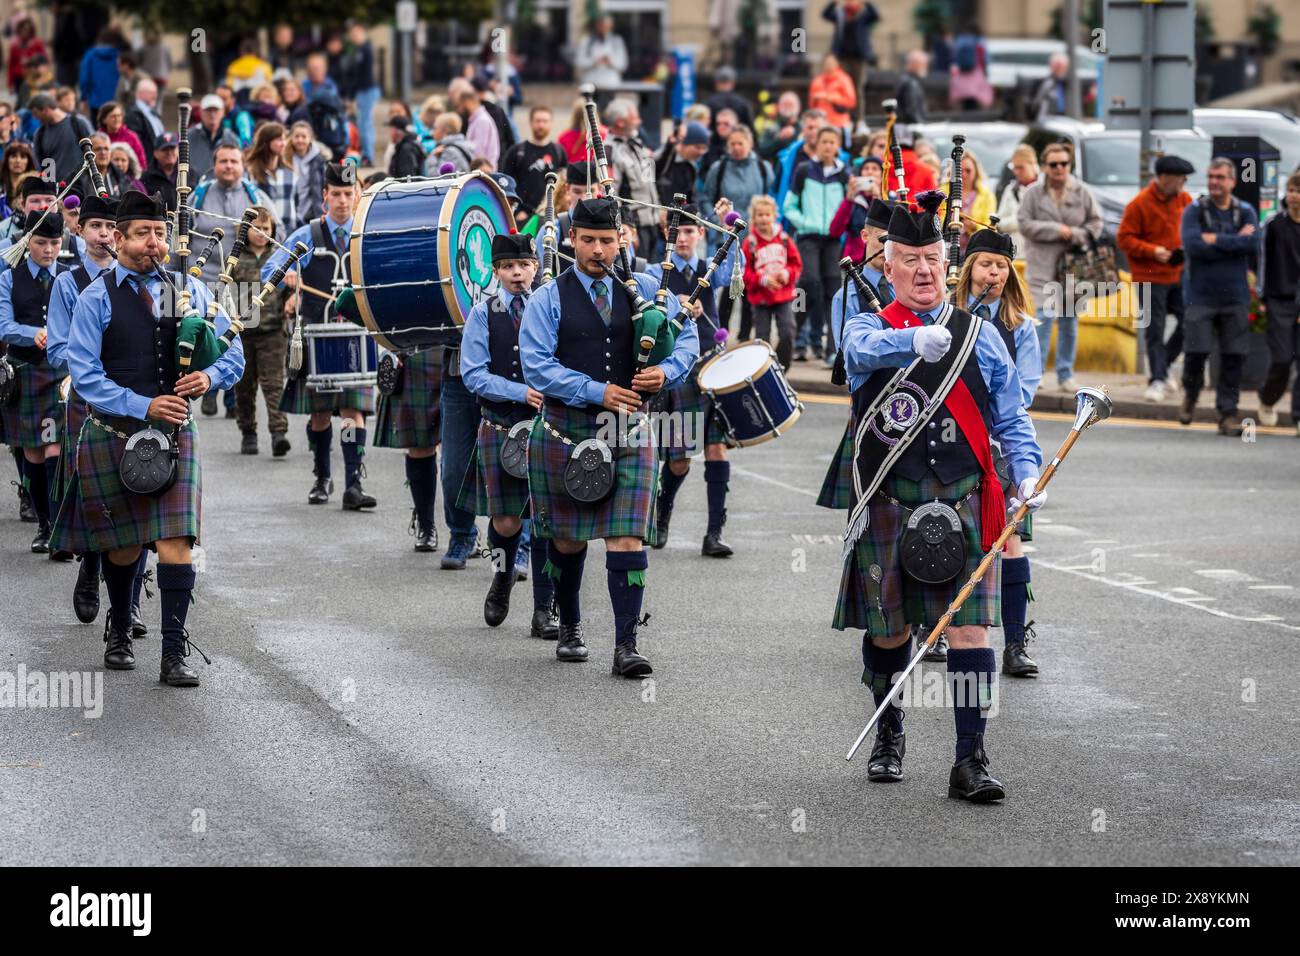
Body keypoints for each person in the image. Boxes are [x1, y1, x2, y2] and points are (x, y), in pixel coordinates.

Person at [835, 198, 1043, 799]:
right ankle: (889, 733)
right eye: (910, 261)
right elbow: (860, 356)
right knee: (888, 631)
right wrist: (911, 343)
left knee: (970, 632)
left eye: (932, 259)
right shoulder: (867, 326)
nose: (924, 271)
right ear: (889, 266)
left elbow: (1010, 415)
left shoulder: (979, 335)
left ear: (946, 263)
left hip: (964, 496)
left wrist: (1026, 475)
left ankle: (969, 760)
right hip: (889, 499)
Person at [53, 189, 245, 687]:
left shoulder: (185, 291)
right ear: (117, 239)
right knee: (122, 546)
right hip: (115, 433)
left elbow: (232, 350)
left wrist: (209, 378)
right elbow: (85, 374)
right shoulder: (98, 296)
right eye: (142, 234)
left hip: (174, 434)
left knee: (177, 541)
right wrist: (143, 404)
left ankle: (172, 649)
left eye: (160, 233)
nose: (154, 243)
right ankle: (119, 624)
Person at [519, 197, 695, 675]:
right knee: (569, 540)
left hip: (629, 431)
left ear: (623, 239)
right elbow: (536, 365)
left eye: (607, 240)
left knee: (625, 538)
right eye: (589, 240)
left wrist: (667, 370)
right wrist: (597, 390)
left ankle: (626, 644)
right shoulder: (548, 297)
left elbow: (688, 336)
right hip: (564, 430)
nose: (599, 250)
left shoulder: (647, 290)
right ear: (572, 239)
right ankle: (571, 625)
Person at [458, 232, 558, 636]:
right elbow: (473, 373)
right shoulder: (484, 314)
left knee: (547, 520)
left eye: (524, 265)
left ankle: (544, 608)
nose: (518, 273)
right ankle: (501, 579)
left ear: (535, 266)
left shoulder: (552, 307)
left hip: (548, 428)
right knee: (506, 521)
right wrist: (521, 391)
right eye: (509, 267)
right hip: (501, 424)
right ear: (496, 271)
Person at [954, 227, 1043, 677]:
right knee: (946, 534)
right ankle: (932, 628)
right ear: (969, 269)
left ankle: (1013, 644)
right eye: (987, 264)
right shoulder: (948, 317)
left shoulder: (1021, 327)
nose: (995, 272)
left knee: (1007, 541)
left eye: (1002, 266)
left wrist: (991, 421)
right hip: (954, 440)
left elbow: (1022, 390)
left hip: (1000, 446)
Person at [266, 162, 374, 508]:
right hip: (316, 333)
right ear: (325, 196)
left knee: (352, 411)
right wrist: (290, 280)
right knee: (321, 414)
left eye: (348, 194)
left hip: (355, 336)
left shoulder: (365, 235)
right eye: (336, 194)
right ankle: (322, 476)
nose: (342, 201)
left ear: (357, 196)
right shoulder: (307, 236)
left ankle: (353, 483)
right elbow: (272, 267)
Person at [44, 193, 125, 624]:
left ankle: (126, 602)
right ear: (80, 230)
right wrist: (93, 365)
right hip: (88, 399)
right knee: (94, 489)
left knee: (135, 489)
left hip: (133, 399)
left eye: (113, 228)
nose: (105, 235)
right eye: (96, 226)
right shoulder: (67, 283)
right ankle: (92, 566)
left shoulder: (143, 280)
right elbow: (57, 349)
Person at [646, 204, 738, 556]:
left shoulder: (708, 269)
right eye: (676, 232)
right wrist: (676, 302)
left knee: (717, 449)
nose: (682, 238)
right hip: (680, 372)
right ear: (666, 236)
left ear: (700, 234)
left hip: (712, 368)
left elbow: (731, 272)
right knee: (680, 459)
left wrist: (726, 226)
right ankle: (662, 512)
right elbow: (648, 304)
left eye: (689, 231)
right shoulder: (658, 272)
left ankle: (714, 533)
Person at [0, 213, 68, 554]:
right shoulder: (9, 278)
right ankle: (43, 522)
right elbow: (2, 325)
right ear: (28, 243)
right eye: (41, 243)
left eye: (55, 243)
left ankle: (56, 526)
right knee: (34, 454)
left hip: (58, 375)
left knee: (54, 447)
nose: (49, 250)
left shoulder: (69, 277)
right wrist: (32, 333)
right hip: (25, 371)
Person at [819, 196, 892, 510]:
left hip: (916, 403)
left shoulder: (909, 288)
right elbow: (851, 359)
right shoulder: (847, 294)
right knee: (866, 508)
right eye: (882, 239)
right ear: (864, 236)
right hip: (871, 405)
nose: (886, 248)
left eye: (894, 243)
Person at [1178, 157, 1259, 436]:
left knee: (1234, 356)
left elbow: (1252, 243)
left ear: (1232, 182)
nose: (1214, 182)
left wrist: (1215, 240)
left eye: (1221, 177)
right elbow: (1193, 245)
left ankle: (1228, 413)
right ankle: (1191, 395)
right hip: (1200, 295)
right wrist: (1233, 242)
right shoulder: (1194, 211)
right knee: (1196, 352)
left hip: (1235, 296)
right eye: (1211, 176)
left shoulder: (1245, 211)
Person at [1016, 142, 1102, 393]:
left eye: (1063, 164)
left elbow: (1096, 224)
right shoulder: (1033, 193)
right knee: (1042, 319)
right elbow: (1024, 224)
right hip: (1042, 267)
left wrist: (1074, 234)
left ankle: (1065, 374)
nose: (1059, 169)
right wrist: (1056, 230)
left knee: (1068, 323)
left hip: (1073, 270)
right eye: (1053, 164)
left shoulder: (1082, 192)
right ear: (1044, 167)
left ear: (1069, 165)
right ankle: (1036, 373)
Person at [1117, 154, 1193, 402]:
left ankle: (1164, 365)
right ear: (1163, 178)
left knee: (1189, 322)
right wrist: (1153, 251)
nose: (1182, 184)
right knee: (1155, 328)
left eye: (1184, 179)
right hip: (1149, 276)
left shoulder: (1185, 200)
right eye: (1179, 179)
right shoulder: (1139, 204)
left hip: (1178, 273)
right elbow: (1124, 239)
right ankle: (1157, 379)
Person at [782, 125, 850, 361]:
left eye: (833, 142)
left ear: (838, 146)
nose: (828, 146)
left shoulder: (844, 174)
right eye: (824, 142)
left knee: (833, 292)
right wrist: (803, 223)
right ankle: (793, 334)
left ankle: (832, 349)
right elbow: (789, 205)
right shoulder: (804, 170)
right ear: (817, 144)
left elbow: (848, 206)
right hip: (808, 237)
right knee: (807, 285)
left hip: (832, 240)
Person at [231, 205, 290, 457]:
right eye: (255, 227)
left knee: (274, 384)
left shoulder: (280, 256)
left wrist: (293, 297)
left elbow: (292, 287)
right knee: (244, 387)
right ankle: (248, 432)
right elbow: (224, 291)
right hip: (243, 332)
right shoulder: (235, 258)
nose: (261, 232)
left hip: (273, 331)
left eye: (266, 228)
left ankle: (278, 433)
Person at [192, 143, 280, 288]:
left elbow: (278, 234)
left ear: (243, 165)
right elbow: (178, 237)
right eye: (223, 161)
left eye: (234, 161)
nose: (228, 166)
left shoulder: (257, 197)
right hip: (200, 280)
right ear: (214, 165)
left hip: (244, 286)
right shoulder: (197, 196)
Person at [1257, 171, 1300, 431]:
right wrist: (1262, 296)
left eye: (1299, 191)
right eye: (1292, 190)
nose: (1294, 196)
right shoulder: (1274, 226)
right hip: (1279, 302)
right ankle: (1267, 398)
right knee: (1283, 359)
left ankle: (1298, 416)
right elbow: (1262, 261)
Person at [742, 194, 802, 372]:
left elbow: (796, 264)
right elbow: (744, 273)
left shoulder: (784, 239)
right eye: (759, 215)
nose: (763, 218)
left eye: (767, 214)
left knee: (788, 332)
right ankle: (764, 370)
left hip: (783, 296)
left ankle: (781, 368)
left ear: (774, 216)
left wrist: (786, 273)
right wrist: (763, 280)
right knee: (762, 338)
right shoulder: (750, 243)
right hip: (760, 298)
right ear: (753, 218)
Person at [605, 99, 661, 259]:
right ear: (621, 123)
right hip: (634, 226)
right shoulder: (609, 150)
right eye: (635, 118)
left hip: (652, 223)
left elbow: (650, 179)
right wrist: (625, 226)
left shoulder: (637, 142)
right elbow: (611, 194)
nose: (639, 121)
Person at [500, 105, 568, 225]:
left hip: (551, 216)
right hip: (523, 217)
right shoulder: (517, 152)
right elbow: (505, 184)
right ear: (531, 123)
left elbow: (564, 185)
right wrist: (517, 211)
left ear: (551, 123)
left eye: (545, 121)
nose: (541, 125)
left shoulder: (559, 152)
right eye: (538, 121)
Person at [29, 93, 95, 196]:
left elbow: (94, 149)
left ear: (46, 109)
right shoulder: (40, 134)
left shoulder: (78, 123)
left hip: (83, 186)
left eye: (36, 113)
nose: (35, 118)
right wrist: (48, 190)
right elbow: (44, 165)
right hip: (57, 190)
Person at [821, 1, 880, 111]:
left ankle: (859, 119)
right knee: (841, 87)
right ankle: (846, 116)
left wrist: (866, 3)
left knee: (857, 89)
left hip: (859, 58)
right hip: (841, 57)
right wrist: (833, 3)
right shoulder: (840, 14)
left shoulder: (864, 15)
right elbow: (825, 15)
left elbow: (875, 15)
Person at [245, 121, 301, 234]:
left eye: (285, 139)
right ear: (266, 141)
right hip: (261, 234)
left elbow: (295, 204)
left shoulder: (290, 172)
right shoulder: (251, 172)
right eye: (279, 139)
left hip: (288, 232)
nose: (284, 143)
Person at [339, 20, 380, 165]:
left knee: (365, 124)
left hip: (366, 90)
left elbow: (360, 76)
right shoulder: (359, 50)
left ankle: (368, 156)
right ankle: (367, 154)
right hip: (363, 91)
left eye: (355, 32)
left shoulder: (365, 50)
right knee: (364, 123)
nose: (352, 36)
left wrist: (350, 96)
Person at [656, 121, 708, 207]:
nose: (701, 152)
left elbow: (691, 198)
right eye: (698, 147)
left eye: (704, 148)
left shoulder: (691, 167)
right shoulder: (663, 160)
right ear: (684, 144)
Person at [189, 93, 241, 182]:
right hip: (196, 188)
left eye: (216, 110)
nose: (212, 114)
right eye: (208, 110)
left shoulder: (232, 138)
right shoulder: (189, 137)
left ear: (223, 112)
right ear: (201, 112)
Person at [994, 144, 1039, 240]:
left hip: (1040, 250)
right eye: (1014, 167)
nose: (1016, 172)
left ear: (1033, 164)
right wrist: (1021, 220)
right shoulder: (1010, 190)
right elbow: (999, 222)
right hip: (1016, 251)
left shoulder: (1045, 188)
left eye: (1021, 167)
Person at [574, 15, 627, 92]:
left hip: (611, 83)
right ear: (597, 26)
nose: (603, 28)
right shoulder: (587, 41)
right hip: (591, 82)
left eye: (606, 26)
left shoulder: (617, 41)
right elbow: (579, 62)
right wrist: (594, 61)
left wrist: (610, 61)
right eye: (601, 25)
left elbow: (623, 65)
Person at [288, 121, 328, 225]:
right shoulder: (286, 159)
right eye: (296, 136)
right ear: (291, 138)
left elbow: (324, 187)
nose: (300, 140)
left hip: (313, 213)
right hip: (293, 211)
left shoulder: (319, 160)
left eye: (304, 136)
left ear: (310, 138)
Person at [809, 53, 857, 136]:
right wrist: (815, 98)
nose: (829, 65)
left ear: (837, 63)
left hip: (839, 124)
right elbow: (812, 105)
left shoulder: (844, 79)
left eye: (831, 63)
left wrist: (830, 97)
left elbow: (851, 102)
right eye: (826, 63)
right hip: (821, 123)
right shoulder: (817, 80)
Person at [949, 25, 994, 111]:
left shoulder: (959, 40)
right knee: (976, 90)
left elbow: (954, 57)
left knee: (964, 89)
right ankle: (975, 109)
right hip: (976, 70)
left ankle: (964, 107)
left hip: (961, 70)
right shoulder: (979, 40)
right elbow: (985, 57)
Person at [455, 88, 500, 172]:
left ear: (467, 102)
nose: (459, 110)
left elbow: (478, 152)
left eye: (459, 105)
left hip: (483, 172)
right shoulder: (477, 120)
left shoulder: (481, 121)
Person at [78, 28, 122, 114]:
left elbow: (84, 78)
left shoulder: (90, 54)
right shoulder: (118, 55)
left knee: (97, 126)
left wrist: (84, 97)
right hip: (114, 100)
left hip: (95, 100)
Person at [124, 76, 164, 160]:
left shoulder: (152, 113)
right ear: (140, 94)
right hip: (147, 161)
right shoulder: (133, 115)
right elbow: (137, 143)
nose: (155, 95)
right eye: (152, 93)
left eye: (156, 92)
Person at [97, 101, 146, 169]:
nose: (117, 119)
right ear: (104, 119)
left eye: (119, 116)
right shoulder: (98, 138)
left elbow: (141, 162)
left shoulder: (131, 137)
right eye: (113, 116)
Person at [705, 66, 754, 131]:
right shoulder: (742, 102)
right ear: (733, 83)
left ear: (716, 83)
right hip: (738, 139)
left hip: (715, 140)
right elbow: (750, 127)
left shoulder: (709, 103)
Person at [8, 16, 49, 94]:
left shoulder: (37, 43)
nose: (24, 33)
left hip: (35, 76)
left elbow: (45, 60)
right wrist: (10, 84)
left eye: (27, 30)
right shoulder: (15, 46)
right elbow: (11, 65)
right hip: (19, 77)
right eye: (22, 30)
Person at [757, 91, 801, 163]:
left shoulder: (804, 128)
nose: (788, 107)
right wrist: (779, 138)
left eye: (790, 104)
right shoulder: (771, 128)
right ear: (779, 107)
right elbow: (761, 151)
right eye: (785, 104)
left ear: (798, 107)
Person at [1032, 53, 1070, 123]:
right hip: (1048, 117)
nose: (1059, 69)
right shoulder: (1046, 83)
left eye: (1061, 66)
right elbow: (1037, 101)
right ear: (1051, 66)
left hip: (1067, 117)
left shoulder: (1070, 83)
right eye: (1057, 66)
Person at [1, 141, 37, 215]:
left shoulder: (35, 184)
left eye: (23, 157)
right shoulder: (1, 185)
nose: (18, 160)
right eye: (14, 156)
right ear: (7, 160)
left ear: (28, 161)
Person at [894, 51, 929, 125]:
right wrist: (921, 126)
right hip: (910, 128)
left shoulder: (907, 80)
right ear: (915, 64)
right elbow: (912, 110)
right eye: (924, 64)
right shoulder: (910, 83)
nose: (926, 67)